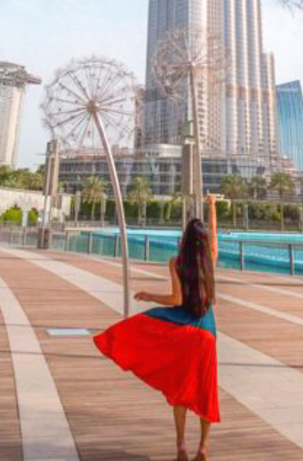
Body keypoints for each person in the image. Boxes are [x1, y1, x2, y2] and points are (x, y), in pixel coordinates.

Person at [94, 193, 221, 461]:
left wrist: (150, 296)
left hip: (185, 333)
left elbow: (176, 300)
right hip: (207, 334)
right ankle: (204, 448)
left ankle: (181, 446)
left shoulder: (176, 262)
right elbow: (214, 232)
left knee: (180, 391)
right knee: (205, 391)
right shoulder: (211, 257)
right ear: (205, 241)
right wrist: (212, 206)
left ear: (185, 239)